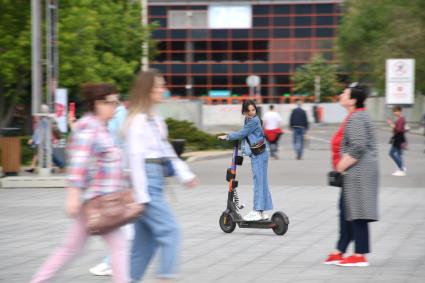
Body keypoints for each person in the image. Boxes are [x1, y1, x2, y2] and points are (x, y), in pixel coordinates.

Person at [30, 83, 130, 283]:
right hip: (95, 202)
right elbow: (79, 163)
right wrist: (73, 196)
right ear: (97, 104)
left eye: (116, 102)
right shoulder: (89, 127)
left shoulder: (100, 127)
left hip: (100, 201)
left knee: (70, 249)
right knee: (117, 248)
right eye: (111, 102)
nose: (115, 107)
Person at [125, 70, 198, 282]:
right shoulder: (137, 121)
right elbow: (135, 159)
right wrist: (141, 196)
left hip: (154, 180)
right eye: (159, 86)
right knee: (171, 232)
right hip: (147, 183)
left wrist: (185, 175)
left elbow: (166, 151)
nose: (163, 89)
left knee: (144, 245)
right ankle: (165, 278)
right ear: (147, 90)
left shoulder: (155, 120)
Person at [324, 83, 379, 267]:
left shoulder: (357, 118)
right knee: (346, 212)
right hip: (355, 173)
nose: (341, 94)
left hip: (359, 172)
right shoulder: (356, 115)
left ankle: (360, 254)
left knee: (358, 213)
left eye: (345, 93)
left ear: (353, 100)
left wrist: (340, 165)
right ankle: (340, 250)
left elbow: (358, 146)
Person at [89, 95, 130, 277]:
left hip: (122, 174)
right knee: (128, 225)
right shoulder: (121, 115)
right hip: (123, 175)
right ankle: (111, 263)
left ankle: (112, 263)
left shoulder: (119, 115)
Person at [218, 100, 273, 221]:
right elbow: (245, 133)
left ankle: (257, 211)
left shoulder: (253, 120)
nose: (252, 112)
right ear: (244, 112)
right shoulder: (249, 120)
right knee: (262, 181)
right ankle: (262, 211)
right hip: (260, 153)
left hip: (259, 154)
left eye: (253, 110)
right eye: (249, 111)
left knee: (259, 182)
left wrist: (227, 136)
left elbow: (242, 133)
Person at [387, 106, 407, 176]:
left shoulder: (401, 119)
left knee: (391, 153)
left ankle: (401, 169)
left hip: (398, 138)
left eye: (395, 111)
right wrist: (392, 124)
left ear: (399, 111)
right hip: (399, 138)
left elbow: (398, 129)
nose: (394, 113)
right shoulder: (400, 119)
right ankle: (401, 168)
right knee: (398, 154)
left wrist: (391, 124)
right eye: (394, 111)